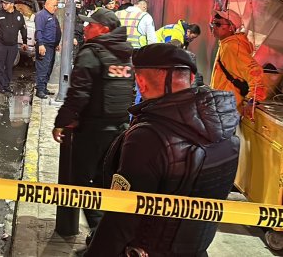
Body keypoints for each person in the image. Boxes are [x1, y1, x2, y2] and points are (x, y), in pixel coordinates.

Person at [84, 44, 240, 257]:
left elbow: (121, 218)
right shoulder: (225, 123)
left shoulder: (148, 137)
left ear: (141, 82)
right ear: (192, 78)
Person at [52, 8, 133, 234]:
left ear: (104, 30)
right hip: (119, 131)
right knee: (105, 185)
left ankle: (97, 239)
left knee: (81, 185)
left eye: (91, 25)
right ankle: (103, 239)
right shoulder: (125, 53)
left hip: (93, 132)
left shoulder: (91, 53)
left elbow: (78, 93)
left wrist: (62, 121)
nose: (85, 28)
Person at [209, 9, 267, 109]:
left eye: (218, 24)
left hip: (226, 108)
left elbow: (255, 71)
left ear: (231, 28)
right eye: (213, 23)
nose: (213, 27)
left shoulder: (232, 46)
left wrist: (254, 98)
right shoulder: (226, 44)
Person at [0, 0, 28, 95]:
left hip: (12, 46)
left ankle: (6, 85)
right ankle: (1, 86)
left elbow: (23, 29)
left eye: (6, 3)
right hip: (0, 45)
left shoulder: (18, 16)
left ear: (12, 4)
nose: (4, 5)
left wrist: (24, 42)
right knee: (0, 66)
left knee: (9, 66)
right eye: (3, 3)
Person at [33, 0, 62, 99]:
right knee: (42, 68)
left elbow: (55, 30)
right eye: (54, 5)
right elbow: (39, 31)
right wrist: (40, 44)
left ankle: (44, 87)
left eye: (56, 5)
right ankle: (40, 90)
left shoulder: (52, 16)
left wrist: (57, 43)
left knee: (49, 68)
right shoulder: (41, 15)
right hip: (44, 46)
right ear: (47, 4)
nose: (56, 8)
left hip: (52, 46)